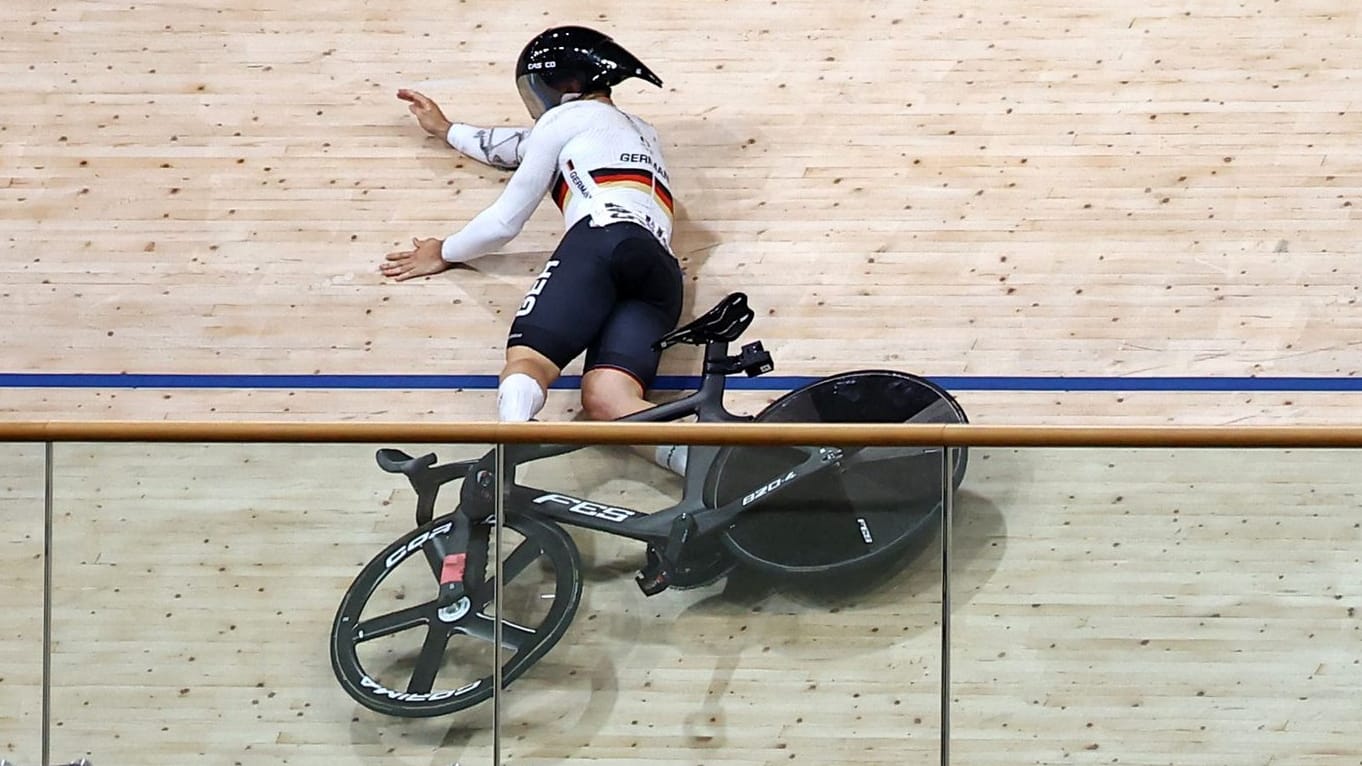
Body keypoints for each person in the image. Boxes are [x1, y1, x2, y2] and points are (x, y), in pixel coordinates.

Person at [381, 26, 687, 474]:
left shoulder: (565, 121)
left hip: (602, 239)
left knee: (528, 363)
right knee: (608, 399)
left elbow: (505, 222)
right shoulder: (640, 131)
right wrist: (448, 130)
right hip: (660, 271)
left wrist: (443, 251)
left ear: (566, 85)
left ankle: (505, 479)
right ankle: (710, 469)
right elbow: (517, 148)